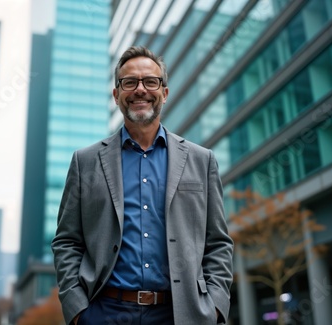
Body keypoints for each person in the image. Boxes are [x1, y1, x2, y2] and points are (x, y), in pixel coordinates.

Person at [52, 46, 233, 325]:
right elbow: (67, 240)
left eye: (150, 81)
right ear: (116, 95)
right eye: (129, 82)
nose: (140, 90)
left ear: (165, 92)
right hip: (103, 312)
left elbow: (218, 242)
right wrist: (77, 309)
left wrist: (216, 305)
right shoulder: (84, 162)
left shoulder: (202, 160)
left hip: (180, 314)